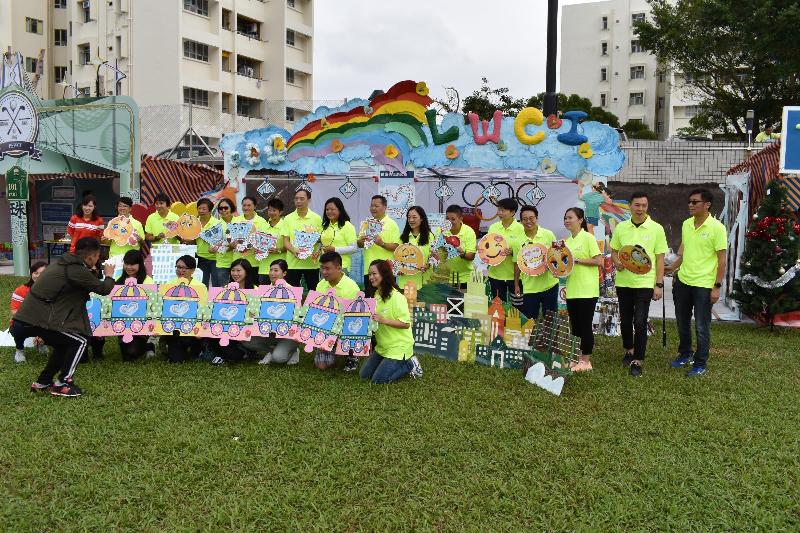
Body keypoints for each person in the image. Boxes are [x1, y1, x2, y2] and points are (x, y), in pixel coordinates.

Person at [15, 237, 115, 397]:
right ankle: (63, 383)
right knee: (81, 341)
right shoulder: (75, 269)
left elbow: (85, 282)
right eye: (98, 256)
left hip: (34, 315)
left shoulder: (67, 263)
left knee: (64, 345)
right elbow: (103, 289)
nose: (98, 259)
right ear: (91, 256)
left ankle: (43, 382)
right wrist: (110, 275)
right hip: (40, 317)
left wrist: (94, 270)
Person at [665, 188, 727, 377]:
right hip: (683, 281)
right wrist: (673, 267)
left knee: (702, 326)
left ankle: (700, 363)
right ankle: (685, 354)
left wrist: (716, 287)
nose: (690, 205)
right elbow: (684, 248)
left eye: (695, 202)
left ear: (707, 205)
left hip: (704, 285)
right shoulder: (686, 224)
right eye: (689, 201)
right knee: (682, 322)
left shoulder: (717, 228)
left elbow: (722, 260)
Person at [610, 193, 667, 377]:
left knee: (640, 321)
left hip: (644, 283)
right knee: (625, 320)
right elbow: (614, 251)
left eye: (644, 205)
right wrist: (616, 261)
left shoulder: (656, 229)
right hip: (624, 282)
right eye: (637, 205)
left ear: (647, 207)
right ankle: (629, 350)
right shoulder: (621, 228)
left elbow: (660, 259)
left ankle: (638, 360)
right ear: (630, 206)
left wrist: (658, 284)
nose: (640, 208)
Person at [360, 259, 423, 384]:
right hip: (382, 347)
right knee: (364, 375)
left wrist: (383, 320)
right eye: (370, 274)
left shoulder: (397, 297)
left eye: (374, 274)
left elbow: (406, 324)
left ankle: (409, 364)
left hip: (398, 347)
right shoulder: (376, 295)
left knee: (378, 380)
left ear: (384, 274)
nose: (371, 277)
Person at [563, 207, 603, 372]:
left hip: (587, 290)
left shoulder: (588, 238)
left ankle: (586, 361)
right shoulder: (566, 242)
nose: (567, 220)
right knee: (576, 326)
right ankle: (578, 358)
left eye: (570, 217)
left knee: (585, 326)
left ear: (580, 220)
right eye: (565, 218)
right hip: (572, 289)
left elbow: (599, 261)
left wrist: (577, 260)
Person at [314, 251, 362, 372]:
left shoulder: (352, 287)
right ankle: (333, 349)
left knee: (354, 325)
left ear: (339, 268)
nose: (324, 272)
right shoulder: (320, 285)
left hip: (346, 327)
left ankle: (353, 355)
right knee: (322, 365)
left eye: (327, 268)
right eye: (322, 268)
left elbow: (356, 317)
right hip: (327, 328)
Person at [512, 205, 559, 321]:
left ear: (536, 218)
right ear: (521, 221)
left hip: (550, 285)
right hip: (529, 287)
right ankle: (532, 339)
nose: (528, 221)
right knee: (530, 321)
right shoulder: (517, 241)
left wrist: (553, 266)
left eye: (531, 218)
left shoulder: (548, 234)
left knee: (550, 319)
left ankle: (548, 339)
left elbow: (558, 255)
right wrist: (516, 284)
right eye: (525, 219)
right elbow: (517, 264)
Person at [210, 258, 260, 365]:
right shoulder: (224, 290)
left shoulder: (256, 291)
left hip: (246, 331)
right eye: (233, 270)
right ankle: (226, 353)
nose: (235, 274)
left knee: (233, 353)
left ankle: (239, 352)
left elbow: (256, 316)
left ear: (247, 272)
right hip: (225, 329)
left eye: (239, 270)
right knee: (211, 335)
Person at [258, 258, 301, 366]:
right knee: (247, 341)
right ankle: (271, 350)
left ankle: (294, 351)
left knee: (279, 358)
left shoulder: (293, 292)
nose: (272, 273)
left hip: (287, 334)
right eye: (271, 270)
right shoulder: (263, 291)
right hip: (268, 331)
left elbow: (297, 318)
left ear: (284, 273)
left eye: (276, 270)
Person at [115, 250, 156, 362]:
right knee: (126, 357)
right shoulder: (119, 282)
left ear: (140, 265)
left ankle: (149, 346)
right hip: (123, 325)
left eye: (132, 264)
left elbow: (152, 306)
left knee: (133, 352)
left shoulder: (148, 282)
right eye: (126, 264)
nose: (129, 267)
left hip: (142, 324)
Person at [165, 255, 204, 363]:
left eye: (184, 268)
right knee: (176, 360)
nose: (180, 270)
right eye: (178, 267)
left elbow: (204, 310)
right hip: (173, 327)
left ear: (192, 270)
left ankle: (197, 347)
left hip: (193, 326)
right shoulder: (169, 284)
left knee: (189, 343)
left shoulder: (200, 286)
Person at [282, 189, 323, 290]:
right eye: (296, 199)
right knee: (292, 293)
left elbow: (321, 239)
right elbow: (286, 241)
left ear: (308, 200)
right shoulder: (288, 218)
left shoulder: (316, 218)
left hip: (312, 264)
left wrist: (317, 251)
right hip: (292, 263)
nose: (298, 201)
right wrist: (293, 250)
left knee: (313, 292)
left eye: (302, 199)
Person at [9, 261, 49, 363]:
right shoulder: (20, 291)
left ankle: (42, 342)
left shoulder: (53, 291)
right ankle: (19, 350)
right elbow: (15, 312)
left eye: (43, 273)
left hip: (45, 323)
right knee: (17, 324)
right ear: (31, 274)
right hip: (25, 322)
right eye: (35, 273)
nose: (38, 276)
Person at [486, 197, 525, 302]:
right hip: (496, 275)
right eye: (498, 210)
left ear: (512, 212)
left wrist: (513, 252)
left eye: (503, 210)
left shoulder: (521, 229)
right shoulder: (493, 227)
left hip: (515, 277)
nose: (499, 213)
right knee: (498, 308)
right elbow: (488, 247)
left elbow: (524, 251)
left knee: (518, 308)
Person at [357, 195, 401, 288]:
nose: (373, 208)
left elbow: (396, 247)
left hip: (386, 270)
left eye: (376, 206)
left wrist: (382, 244)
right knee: (371, 300)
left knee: (387, 299)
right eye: (371, 206)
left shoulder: (392, 224)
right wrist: (361, 241)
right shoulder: (366, 224)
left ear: (385, 207)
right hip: (369, 271)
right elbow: (359, 244)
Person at [397, 206, 433, 291]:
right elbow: (397, 259)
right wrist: (398, 269)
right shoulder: (403, 238)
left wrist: (428, 265)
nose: (411, 220)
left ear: (421, 219)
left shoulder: (430, 236)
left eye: (414, 217)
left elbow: (434, 257)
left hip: (424, 283)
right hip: (405, 284)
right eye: (409, 217)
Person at [320, 197, 358, 274]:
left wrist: (335, 250)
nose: (329, 212)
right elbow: (323, 245)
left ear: (339, 210)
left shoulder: (347, 226)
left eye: (332, 209)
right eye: (327, 210)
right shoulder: (324, 226)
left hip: (340, 267)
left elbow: (354, 248)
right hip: (325, 267)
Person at [443, 204, 477, 289]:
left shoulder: (469, 232)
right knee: (445, 302)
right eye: (447, 219)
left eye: (453, 219)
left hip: (465, 278)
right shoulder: (441, 230)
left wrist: (462, 254)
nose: (449, 222)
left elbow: (471, 256)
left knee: (464, 302)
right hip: (445, 277)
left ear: (461, 218)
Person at [257, 198, 286, 286]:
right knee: (263, 296)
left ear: (280, 212)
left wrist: (278, 250)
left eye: (274, 210)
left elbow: (290, 246)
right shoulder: (263, 225)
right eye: (269, 210)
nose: (271, 213)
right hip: (264, 269)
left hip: (279, 269)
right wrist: (257, 249)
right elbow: (257, 243)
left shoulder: (285, 226)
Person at [240, 195, 269, 276]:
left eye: (249, 205)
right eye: (244, 205)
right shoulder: (236, 220)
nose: (246, 208)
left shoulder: (262, 222)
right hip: (238, 263)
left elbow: (265, 240)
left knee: (254, 287)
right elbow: (230, 240)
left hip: (255, 263)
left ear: (255, 206)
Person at [213, 197, 239, 288]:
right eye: (221, 208)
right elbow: (214, 247)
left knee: (239, 290)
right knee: (224, 291)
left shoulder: (240, 222)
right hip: (222, 263)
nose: (223, 210)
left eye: (226, 208)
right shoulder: (215, 225)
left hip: (239, 262)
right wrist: (229, 247)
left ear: (231, 208)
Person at [195, 198, 220, 286]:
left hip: (215, 259)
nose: (201, 211)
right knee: (202, 285)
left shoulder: (217, 223)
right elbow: (190, 240)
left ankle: (215, 300)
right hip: (200, 257)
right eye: (199, 208)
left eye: (204, 209)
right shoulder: (194, 223)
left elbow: (221, 241)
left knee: (216, 285)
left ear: (210, 210)